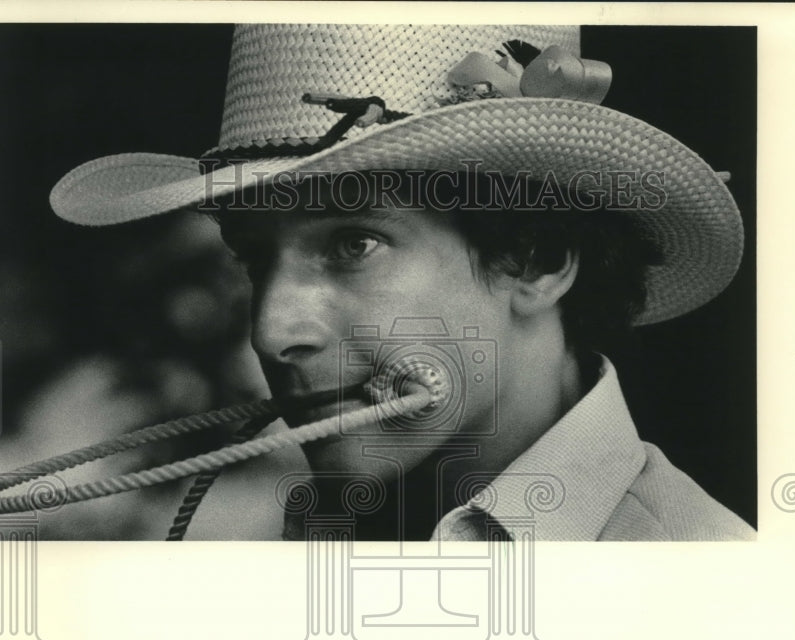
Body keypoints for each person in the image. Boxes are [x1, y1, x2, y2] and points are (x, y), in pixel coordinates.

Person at [49, 23, 755, 541]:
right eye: (253, 258)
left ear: (538, 259)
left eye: (354, 243)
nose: (273, 330)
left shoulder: (715, 587)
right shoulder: (288, 538)